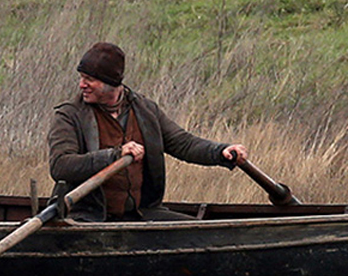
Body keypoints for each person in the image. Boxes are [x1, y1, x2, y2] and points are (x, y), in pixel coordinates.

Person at [47, 42, 248, 222]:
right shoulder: (69, 115)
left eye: (89, 80)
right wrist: (114, 156)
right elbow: (61, 166)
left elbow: (183, 143)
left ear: (111, 84)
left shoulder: (145, 110)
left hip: (141, 214)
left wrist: (219, 151)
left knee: (200, 233)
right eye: (82, 78)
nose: (82, 85)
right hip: (87, 216)